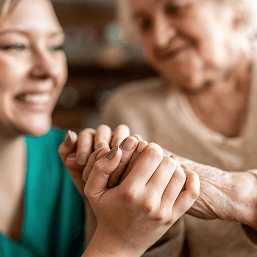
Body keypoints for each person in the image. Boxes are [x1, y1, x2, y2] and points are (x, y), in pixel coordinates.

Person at [0, 0, 200, 256]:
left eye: (56, 46)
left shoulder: (77, 162)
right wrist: (119, 243)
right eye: (16, 45)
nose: (49, 69)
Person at [102, 0, 257, 256]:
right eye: (144, 24)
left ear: (235, 6)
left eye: (175, 8)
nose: (159, 38)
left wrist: (236, 194)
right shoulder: (130, 112)